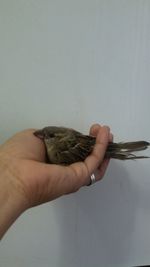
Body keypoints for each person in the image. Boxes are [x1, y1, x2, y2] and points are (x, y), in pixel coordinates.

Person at [0, 124, 112, 239]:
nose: (44, 137)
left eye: (49, 136)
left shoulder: (59, 150)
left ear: (58, 138)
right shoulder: (52, 147)